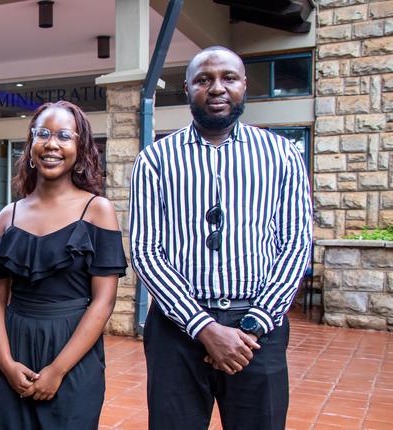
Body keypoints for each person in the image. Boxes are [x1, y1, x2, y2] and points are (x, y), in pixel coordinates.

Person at [129, 46, 312, 429]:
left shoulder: (282, 155)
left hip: (259, 331)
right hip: (177, 329)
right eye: (204, 79)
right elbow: (146, 251)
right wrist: (205, 328)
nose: (216, 88)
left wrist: (249, 327)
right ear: (187, 88)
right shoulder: (155, 160)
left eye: (228, 78)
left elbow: (296, 243)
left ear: (244, 84)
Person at [0, 101, 127, 429]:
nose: (52, 144)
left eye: (64, 135)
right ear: (31, 146)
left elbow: (103, 302)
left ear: (80, 148)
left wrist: (57, 370)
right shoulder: (9, 215)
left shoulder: (98, 210)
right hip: (16, 347)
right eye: (43, 134)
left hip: (72, 353)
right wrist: (6, 363)